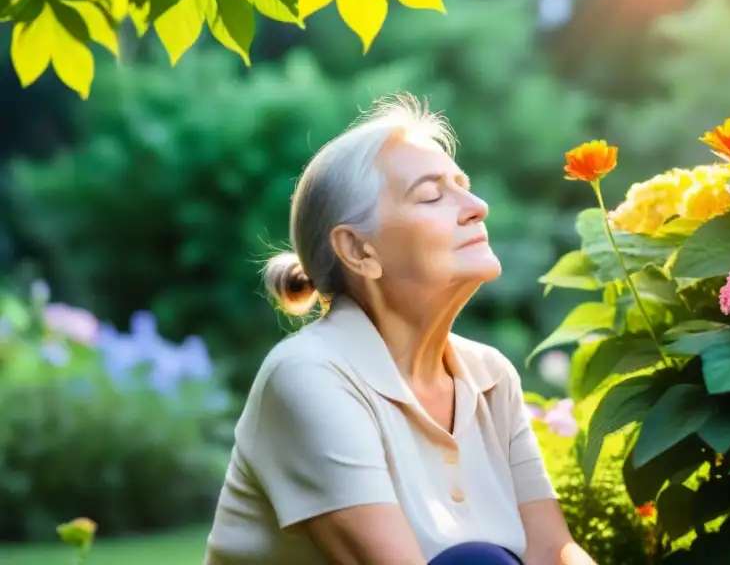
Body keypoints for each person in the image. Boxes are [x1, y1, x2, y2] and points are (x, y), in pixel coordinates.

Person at [204, 95, 595, 565]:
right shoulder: (308, 375)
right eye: (432, 195)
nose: (477, 206)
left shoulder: (491, 376)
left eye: (464, 186)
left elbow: (554, 551)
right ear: (358, 250)